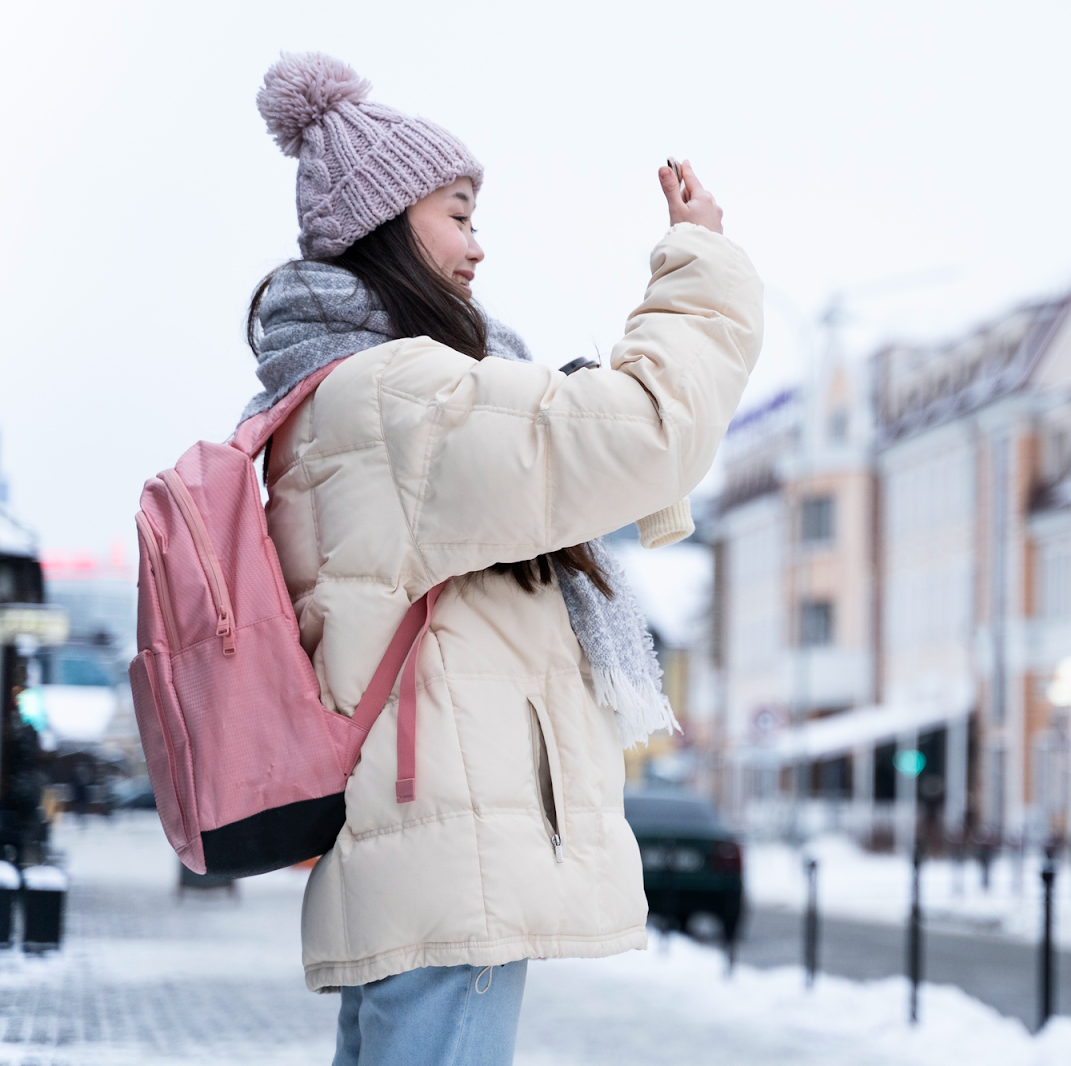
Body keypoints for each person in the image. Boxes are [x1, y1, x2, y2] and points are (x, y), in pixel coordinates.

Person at [245, 53, 762, 1065]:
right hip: (451, 845)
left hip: (416, 836)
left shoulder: (341, 391)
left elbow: (565, 463)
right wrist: (698, 263)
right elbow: (641, 431)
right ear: (387, 222)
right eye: (459, 213)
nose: (478, 247)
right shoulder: (402, 395)